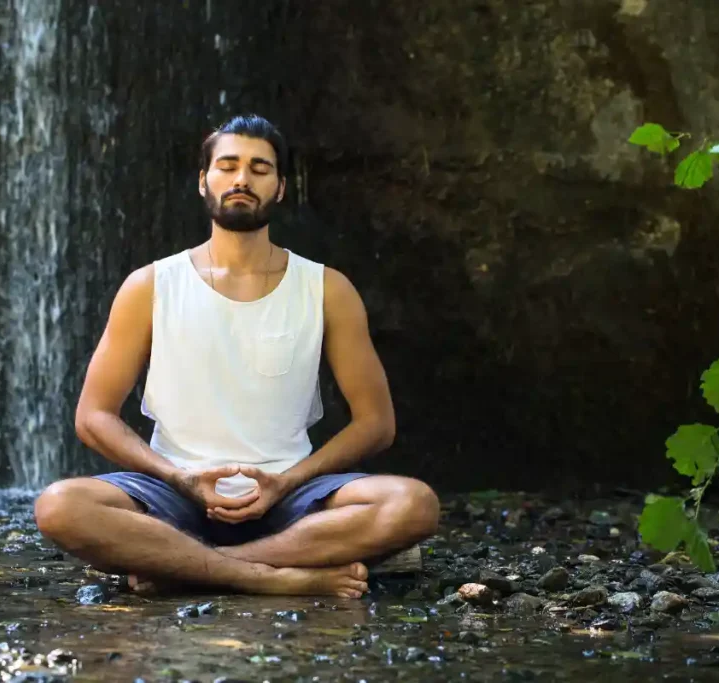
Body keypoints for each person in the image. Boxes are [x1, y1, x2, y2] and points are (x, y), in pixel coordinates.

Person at [35, 115, 439, 598]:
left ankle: (186, 568)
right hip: (173, 494)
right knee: (59, 505)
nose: (242, 179)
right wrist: (180, 478)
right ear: (203, 181)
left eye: (259, 168)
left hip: (288, 496)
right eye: (227, 166)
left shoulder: (327, 289)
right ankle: (272, 577)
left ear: (281, 187)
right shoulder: (151, 285)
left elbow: (376, 423)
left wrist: (286, 482)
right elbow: (92, 416)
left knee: (413, 503)